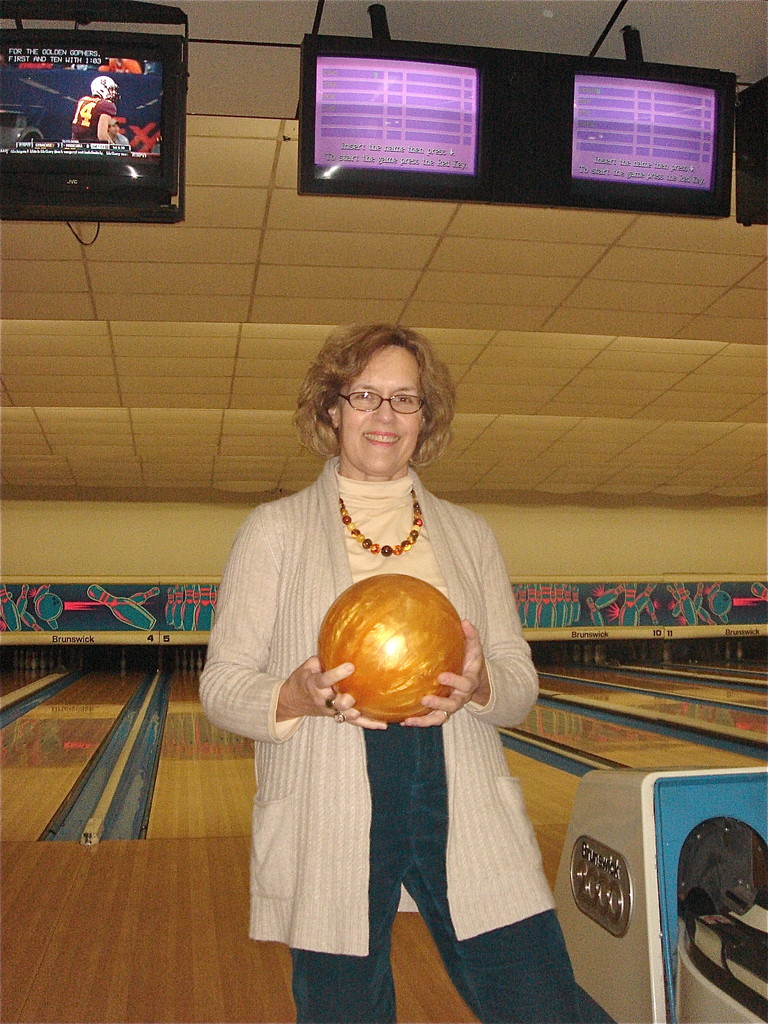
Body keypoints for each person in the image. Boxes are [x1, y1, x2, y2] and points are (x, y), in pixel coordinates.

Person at [200, 323, 589, 1024]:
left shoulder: (469, 535)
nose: (384, 416)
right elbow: (222, 685)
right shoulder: (275, 530)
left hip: (459, 788)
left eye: (404, 401)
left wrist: (481, 687)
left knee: (540, 1003)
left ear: (425, 420)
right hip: (331, 798)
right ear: (332, 411)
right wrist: (293, 695)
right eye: (365, 396)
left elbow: (518, 680)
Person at [71, 76, 119, 144]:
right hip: (93, 147)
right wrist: (115, 149)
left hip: (76, 144)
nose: (113, 93)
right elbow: (102, 136)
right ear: (102, 89)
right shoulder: (106, 105)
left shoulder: (83, 100)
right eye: (110, 89)